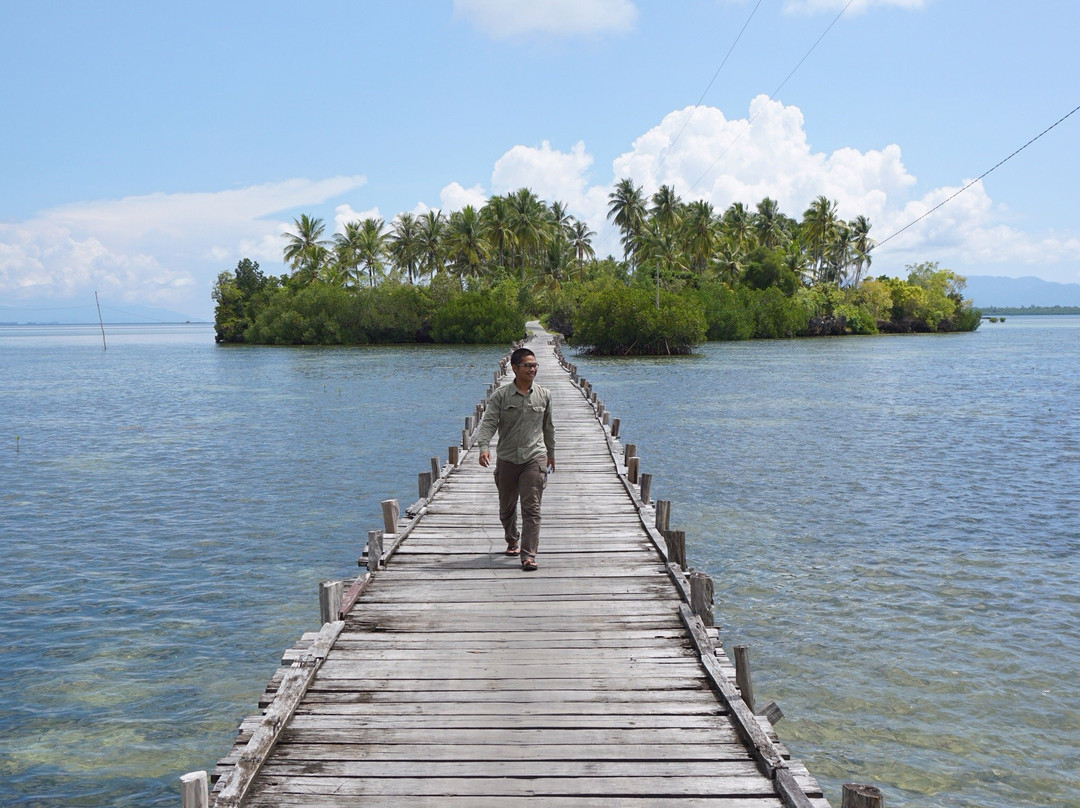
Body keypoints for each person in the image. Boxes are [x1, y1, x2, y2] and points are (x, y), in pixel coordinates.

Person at [476, 347, 555, 572]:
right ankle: (512, 539)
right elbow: (489, 422)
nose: (532, 369)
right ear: (514, 368)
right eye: (527, 365)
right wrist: (484, 447)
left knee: (532, 509)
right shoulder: (501, 396)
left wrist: (551, 454)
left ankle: (528, 555)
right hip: (508, 458)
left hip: (534, 458)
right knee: (507, 508)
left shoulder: (544, 395)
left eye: (534, 365)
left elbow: (549, 428)